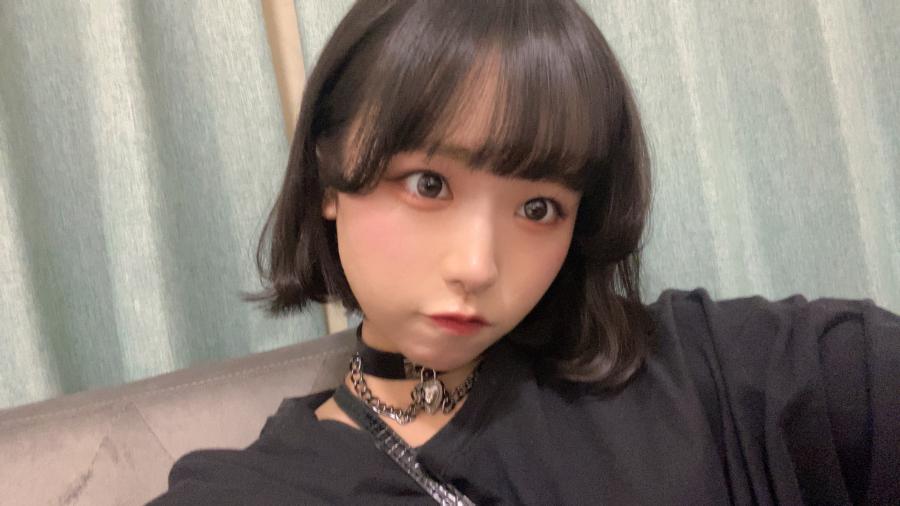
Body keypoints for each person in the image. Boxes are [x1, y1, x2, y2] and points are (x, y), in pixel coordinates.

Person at [149, 0, 900, 504]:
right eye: (428, 184)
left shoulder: (703, 370)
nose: (478, 267)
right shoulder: (260, 489)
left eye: (539, 208)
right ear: (328, 177)